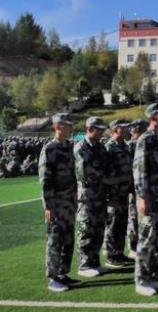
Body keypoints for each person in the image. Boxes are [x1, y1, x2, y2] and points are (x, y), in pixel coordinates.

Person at [39, 113, 80, 292]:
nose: (71, 128)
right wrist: (48, 206)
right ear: (58, 127)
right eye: (68, 125)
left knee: (68, 238)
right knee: (55, 239)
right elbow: (45, 180)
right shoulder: (50, 149)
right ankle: (53, 277)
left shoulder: (69, 147)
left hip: (69, 201)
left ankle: (63, 273)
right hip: (56, 202)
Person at [133, 103, 158, 297]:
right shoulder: (145, 140)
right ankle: (141, 279)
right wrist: (142, 196)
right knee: (147, 238)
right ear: (154, 116)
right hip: (150, 197)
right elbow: (139, 171)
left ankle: (155, 275)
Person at [75, 116, 109, 278]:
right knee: (87, 228)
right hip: (87, 196)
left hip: (100, 194)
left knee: (98, 228)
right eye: (99, 129)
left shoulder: (100, 147)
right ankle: (84, 264)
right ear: (90, 129)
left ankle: (94, 261)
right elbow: (85, 174)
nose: (102, 132)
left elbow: (107, 168)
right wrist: (104, 176)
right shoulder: (81, 147)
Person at [104, 118, 133, 268]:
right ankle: (111, 256)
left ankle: (119, 253)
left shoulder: (125, 146)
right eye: (125, 128)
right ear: (116, 129)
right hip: (113, 194)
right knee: (113, 224)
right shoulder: (109, 148)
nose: (128, 130)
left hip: (123, 193)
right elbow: (104, 173)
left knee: (121, 223)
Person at [126, 119, 148, 260]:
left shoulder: (141, 144)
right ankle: (133, 247)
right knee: (133, 218)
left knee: (139, 219)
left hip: (138, 187)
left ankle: (139, 245)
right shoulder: (130, 146)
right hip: (133, 187)